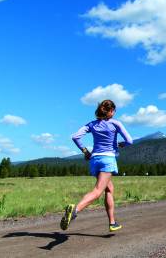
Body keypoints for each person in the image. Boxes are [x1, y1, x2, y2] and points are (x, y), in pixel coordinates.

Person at [60, 99, 133, 232]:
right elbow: (130, 140)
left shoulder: (92, 124)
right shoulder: (116, 123)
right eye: (114, 111)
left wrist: (85, 151)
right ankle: (74, 211)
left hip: (95, 159)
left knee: (109, 189)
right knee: (98, 191)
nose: (115, 113)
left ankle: (112, 222)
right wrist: (122, 144)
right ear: (111, 111)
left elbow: (76, 137)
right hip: (108, 159)